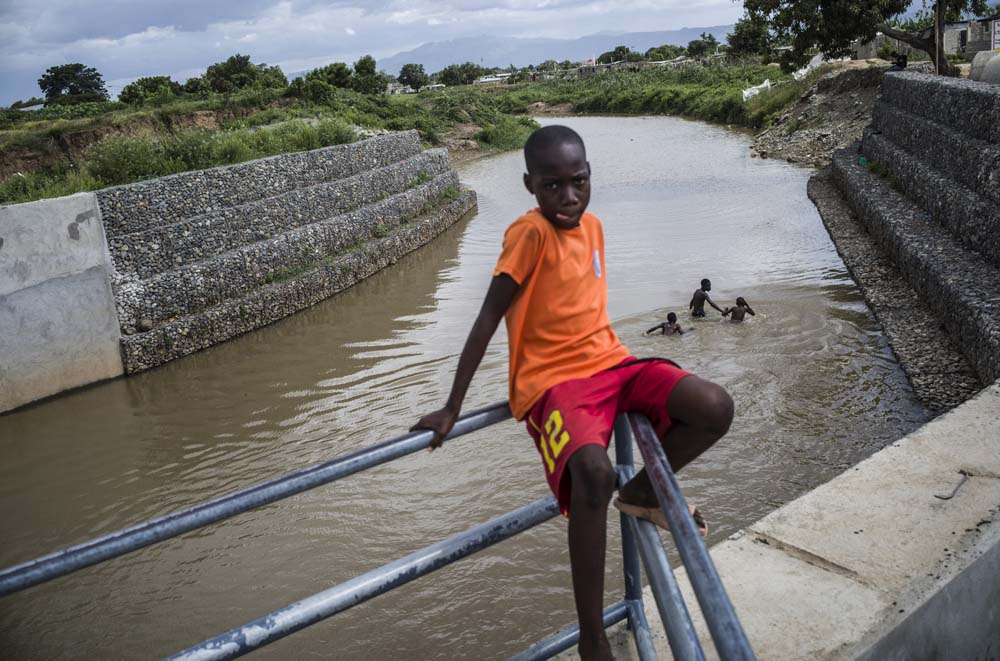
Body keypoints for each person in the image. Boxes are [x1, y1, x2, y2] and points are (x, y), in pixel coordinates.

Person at [411, 125, 734, 661]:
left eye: (578, 182)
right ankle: (591, 636)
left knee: (714, 407)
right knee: (593, 473)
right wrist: (452, 407)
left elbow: (584, 308)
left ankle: (643, 495)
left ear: (590, 176)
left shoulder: (596, 228)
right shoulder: (529, 233)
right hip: (554, 383)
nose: (568, 197)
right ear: (529, 186)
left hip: (612, 363)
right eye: (552, 186)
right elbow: (489, 315)